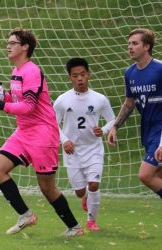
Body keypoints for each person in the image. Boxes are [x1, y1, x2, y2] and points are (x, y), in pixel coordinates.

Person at [0, 28, 83, 236]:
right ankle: (26, 215)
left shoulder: (31, 71)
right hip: (24, 131)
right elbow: (16, 100)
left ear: (25, 47)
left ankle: (74, 227)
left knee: (47, 188)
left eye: (12, 43)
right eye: (7, 42)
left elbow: (28, 106)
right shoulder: (17, 72)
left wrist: (0, 105)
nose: (8, 46)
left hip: (43, 134)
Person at [53, 58, 115, 231]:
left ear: (88, 75)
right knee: (80, 191)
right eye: (75, 76)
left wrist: (102, 130)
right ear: (70, 78)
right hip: (72, 151)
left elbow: (112, 120)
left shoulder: (100, 99)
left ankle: (91, 220)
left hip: (94, 149)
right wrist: (64, 140)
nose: (79, 78)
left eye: (82, 74)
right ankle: (85, 197)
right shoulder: (62, 100)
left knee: (94, 184)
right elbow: (52, 124)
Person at [107, 28, 162, 198]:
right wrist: (115, 127)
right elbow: (129, 103)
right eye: (129, 43)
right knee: (158, 176)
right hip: (148, 130)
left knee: (145, 175)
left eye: (135, 43)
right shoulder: (129, 73)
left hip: (160, 131)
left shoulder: (160, 69)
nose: (130, 47)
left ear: (146, 46)